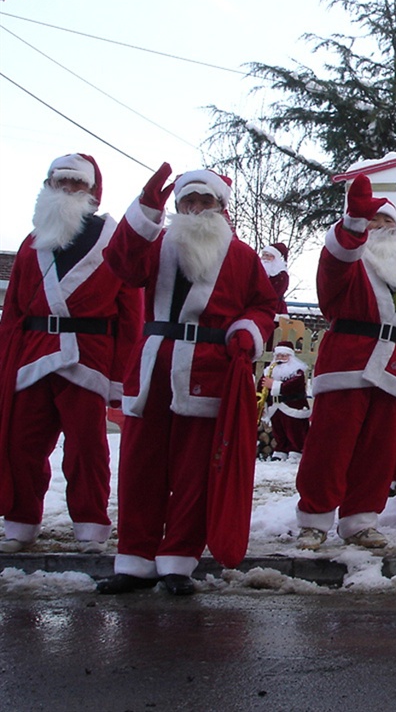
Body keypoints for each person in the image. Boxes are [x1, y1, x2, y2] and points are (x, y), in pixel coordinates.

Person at [96, 165, 278, 595]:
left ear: (221, 208)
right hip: (153, 365)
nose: (195, 210)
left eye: (204, 202)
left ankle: (178, 561)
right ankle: (135, 560)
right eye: (187, 203)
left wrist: (247, 332)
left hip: (208, 368)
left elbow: (265, 307)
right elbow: (120, 263)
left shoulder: (242, 256)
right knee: (141, 467)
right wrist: (144, 210)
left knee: (194, 474)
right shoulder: (156, 245)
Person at [0, 154, 142, 554]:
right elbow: (12, 309)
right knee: (22, 444)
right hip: (32, 355)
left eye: (75, 183)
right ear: (47, 185)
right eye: (59, 182)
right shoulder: (33, 242)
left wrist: (120, 376)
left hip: (88, 356)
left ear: (92, 191)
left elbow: (131, 314)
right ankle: (21, 521)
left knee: (87, 447)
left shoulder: (112, 242)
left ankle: (91, 524)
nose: (66, 189)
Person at [294, 176, 396, 551]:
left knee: (378, 453)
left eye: (387, 222)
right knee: (330, 447)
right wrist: (353, 224)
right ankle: (314, 520)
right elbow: (338, 261)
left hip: (393, 373)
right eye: (374, 222)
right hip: (348, 366)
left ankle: (360, 521)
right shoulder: (347, 262)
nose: (381, 228)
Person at [258, 340, 310, 461]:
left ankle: (296, 450)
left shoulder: (297, 371)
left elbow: (294, 386)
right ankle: (281, 450)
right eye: (278, 356)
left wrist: (274, 385)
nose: (280, 358)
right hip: (275, 406)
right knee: (278, 429)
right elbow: (262, 387)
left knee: (294, 429)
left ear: (290, 356)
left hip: (292, 405)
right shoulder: (269, 371)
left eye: (284, 355)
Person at [259, 242, 290, 315]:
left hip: (275, 308)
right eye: (263, 255)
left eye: (268, 255)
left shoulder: (282, 275)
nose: (264, 258)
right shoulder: (258, 271)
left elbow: (277, 293)